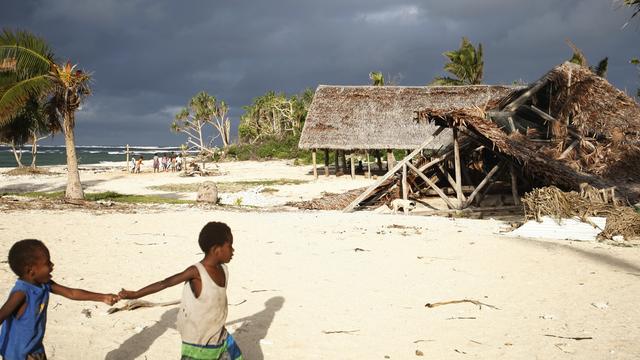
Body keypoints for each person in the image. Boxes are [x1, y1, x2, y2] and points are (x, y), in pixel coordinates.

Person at [119, 222, 242, 360]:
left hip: (219, 334)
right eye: (230, 245)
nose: (233, 250)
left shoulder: (224, 270)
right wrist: (135, 294)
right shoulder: (197, 272)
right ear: (216, 249)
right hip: (198, 341)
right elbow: (165, 283)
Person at [0, 239, 119, 360]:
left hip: (35, 350)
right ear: (31, 270)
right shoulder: (21, 293)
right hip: (17, 355)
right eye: (47, 263)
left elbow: (71, 293)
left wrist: (103, 297)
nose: (52, 265)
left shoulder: (44, 284)